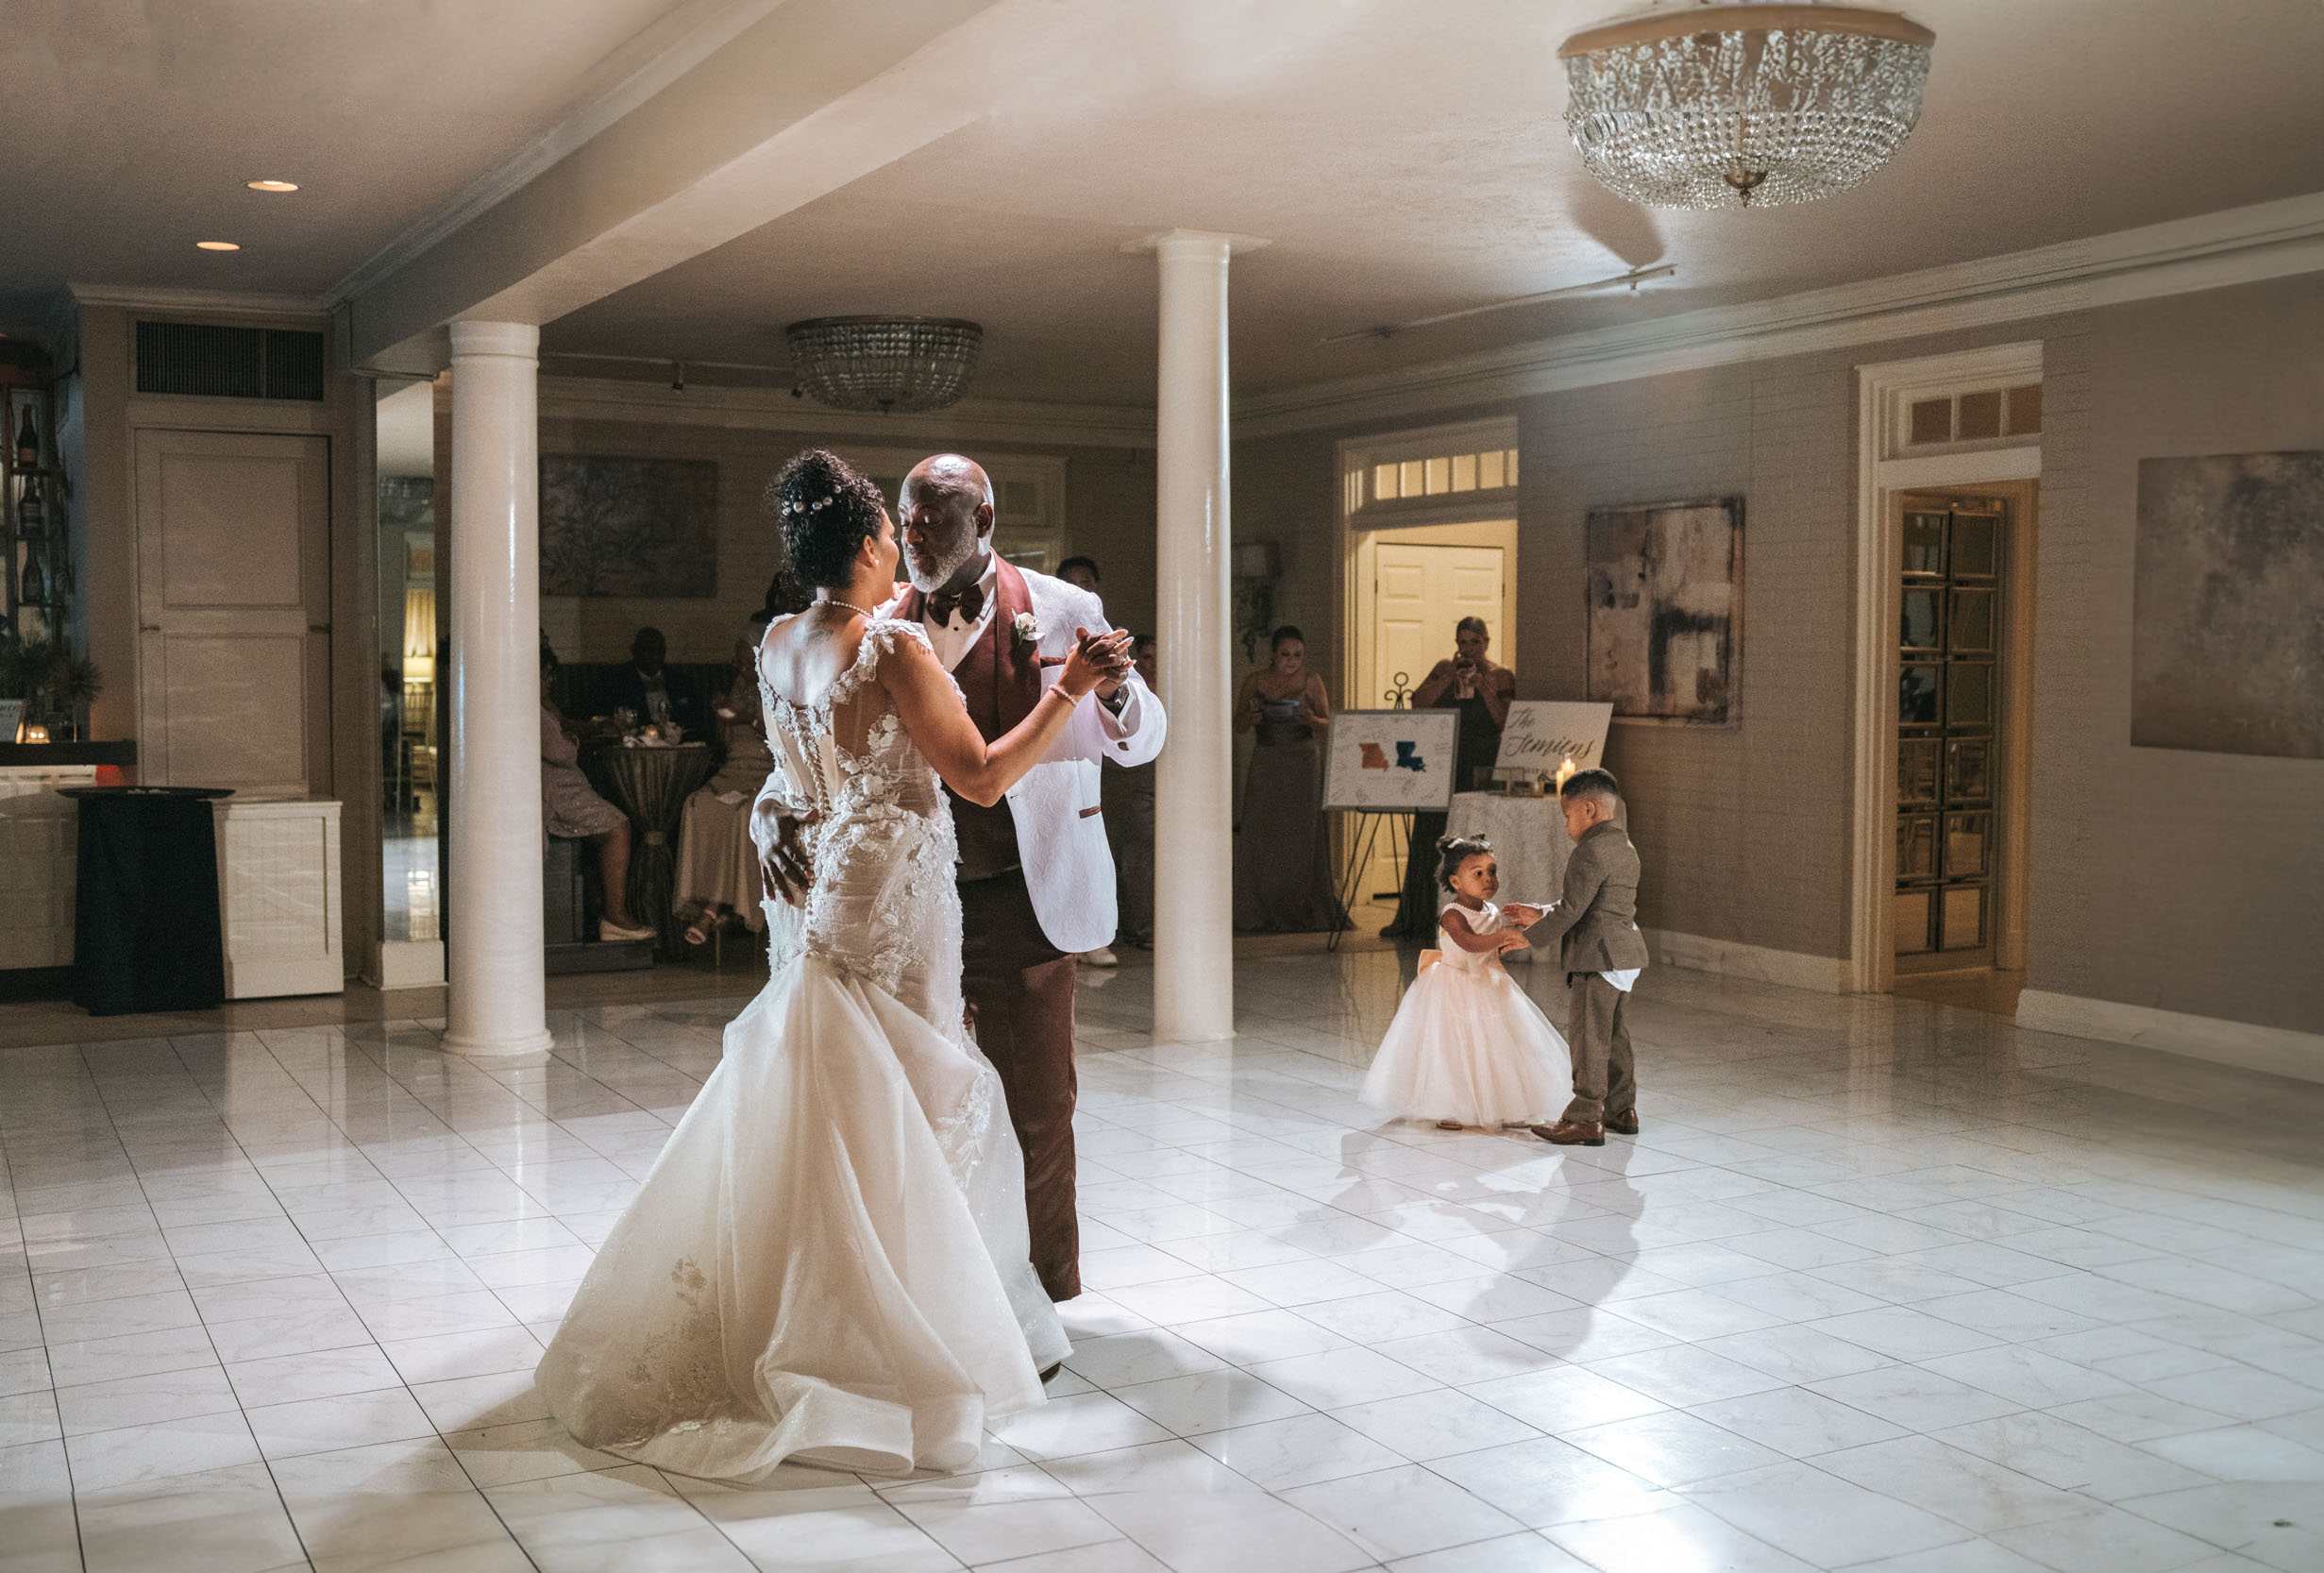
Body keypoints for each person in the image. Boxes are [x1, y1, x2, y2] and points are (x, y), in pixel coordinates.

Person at [537, 448, 1131, 1480]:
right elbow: (981, 778)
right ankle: (883, 1328)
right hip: (894, 893)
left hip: (831, 897)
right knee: (909, 1105)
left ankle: (821, 1300)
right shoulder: (894, 644)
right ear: (866, 542)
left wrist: (778, 807)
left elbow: (794, 765)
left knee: (841, 1102)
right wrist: (1066, 688)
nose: (905, 544)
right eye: (895, 529)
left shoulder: (775, 639)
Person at [869, 451, 1165, 1303]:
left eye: (939, 517)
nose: (917, 534)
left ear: (986, 522)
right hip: (913, 900)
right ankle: (940, 1291)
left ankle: (1047, 1289)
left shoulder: (1064, 609)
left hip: (1025, 895)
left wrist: (1112, 697)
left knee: (1039, 1103)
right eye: (909, 516)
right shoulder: (885, 621)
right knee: (921, 1105)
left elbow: (1144, 736)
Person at [1360, 836, 1568, 1130]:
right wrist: (1503, 936)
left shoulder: (1491, 911)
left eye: (1492, 871)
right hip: (1455, 984)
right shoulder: (1452, 914)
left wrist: (1512, 939)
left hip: (1490, 984)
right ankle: (1450, 1106)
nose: (1489, 879)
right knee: (1453, 1047)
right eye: (1479, 873)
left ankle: (1507, 1103)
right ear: (1456, 882)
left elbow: (1491, 949)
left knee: (1499, 1045)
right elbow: (1469, 943)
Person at [1524, 769, 1649, 1146]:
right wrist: (1541, 912)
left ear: (1590, 809)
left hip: (1598, 957)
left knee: (1587, 1038)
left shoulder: (1588, 851)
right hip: (1625, 954)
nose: (1566, 824)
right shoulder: (1623, 846)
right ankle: (1621, 1109)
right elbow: (1596, 905)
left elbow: (1571, 911)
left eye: (1567, 815)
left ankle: (1585, 1117)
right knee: (1613, 1034)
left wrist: (1522, 937)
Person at [1385, 616, 1516, 939]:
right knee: (1430, 836)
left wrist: (1482, 684)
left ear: (1486, 642)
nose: (1468, 649)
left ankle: (1472, 916)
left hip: (1479, 762)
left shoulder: (1500, 676)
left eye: (1475, 642)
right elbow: (1418, 703)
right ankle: (1417, 916)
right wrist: (1449, 679)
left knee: (1470, 838)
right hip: (1441, 761)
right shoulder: (1444, 668)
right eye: (1462, 643)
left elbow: (1505, 720)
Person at [1232, 625, 1347, 933]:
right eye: (1285, 655)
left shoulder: (1311, 681)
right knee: (1261, 830)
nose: (1291, 662)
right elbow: (1238, 724)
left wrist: (1311, 720)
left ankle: (1301, 908)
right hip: (1267, 758)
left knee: (1301, 834)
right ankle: (1259, 909)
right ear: (1273, 654)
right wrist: (1252, 717)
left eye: (1297, 655)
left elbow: (1328, 724)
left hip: (1303, 760)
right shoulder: (1255, 681)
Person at [672, 617, 777, 946]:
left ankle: (718, 907)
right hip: (733, 769)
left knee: (743, 815)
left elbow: (780, 737)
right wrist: (721, 715)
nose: (742, 667)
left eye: (748, 662)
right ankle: (703, 901)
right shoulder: (739, 685)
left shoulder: (777, 685)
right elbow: (726, 738)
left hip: (765, 771)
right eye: (739, 661)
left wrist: (747, 718)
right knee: (697, 804)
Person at [540, 646, 653, 942]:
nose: (550, 682)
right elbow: (559, 750)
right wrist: (574, 739)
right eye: (547, 675)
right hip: (556, 792)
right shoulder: (534, 708)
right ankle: (614, 916)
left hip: (558, 787)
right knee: (619, 827)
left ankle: (607, 913)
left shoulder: (538, 706)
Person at [1107, 634, 1158, 948]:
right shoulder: (1130, 689)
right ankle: (1121, 928)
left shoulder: (1175, 688)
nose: (1154, 665)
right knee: (1121, 853)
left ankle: (1143, 926)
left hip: (1156, 782)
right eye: (1148, 658)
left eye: (1158, 657)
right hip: (1119, 779)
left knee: (1142, 852)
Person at [594, 625, 707, 737]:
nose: (654, 656)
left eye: (659, 651)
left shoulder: (681, 681)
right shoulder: (616, 680)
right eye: (647, 650)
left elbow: (697, 718)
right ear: (634, 651)